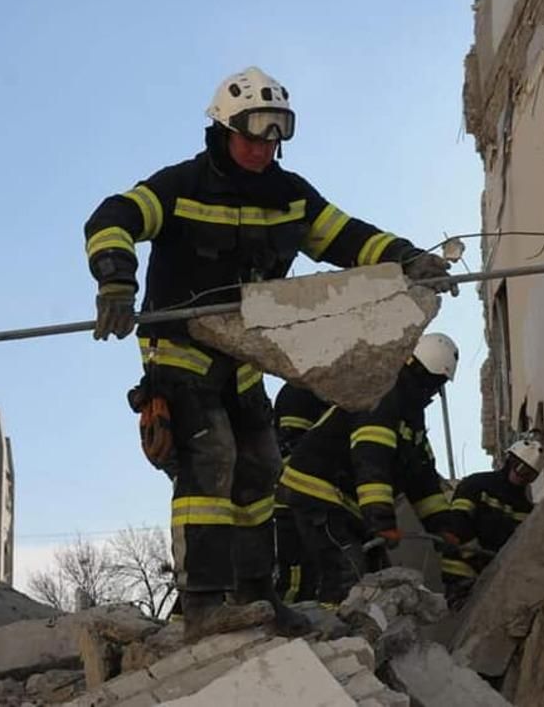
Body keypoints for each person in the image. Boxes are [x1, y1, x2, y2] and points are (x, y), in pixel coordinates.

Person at [83, 66, 452, 639]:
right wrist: (115, 281)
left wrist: (408, 257)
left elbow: (349, 238)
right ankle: (204, 604)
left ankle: (257, 594)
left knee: (260, 471)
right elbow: (113, 218)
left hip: (249, 354)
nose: (263, 149)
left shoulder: (290, 198)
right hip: (179, 349)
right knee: (213, 461)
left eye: (274, 137)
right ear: (223, 129)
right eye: (253, 136)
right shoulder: (181, 186)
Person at [277, 334, 462, 605]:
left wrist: (443, 527)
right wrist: (382, 522)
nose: (434, 391)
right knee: (346, 574)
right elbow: (371, 458)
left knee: (374, 580)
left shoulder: (411, 417)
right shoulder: (384, 396)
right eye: (435, 382)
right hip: (318, 492)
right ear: (420, 371)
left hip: (344, 503)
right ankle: (335, 641)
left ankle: (353, 637)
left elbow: (421, 479)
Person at [440, 435, 541, 609]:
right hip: (461, 571)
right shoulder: (477, 484)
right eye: (519, 466)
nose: (521, 475)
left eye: (528, 474)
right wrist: (476, 556)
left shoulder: (525, 509)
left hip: (493, 575)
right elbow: (458, 521)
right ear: (510, 460)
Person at [272, 383, 329, 603]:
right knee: (294, 577)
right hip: (292, 502)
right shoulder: (298, 394)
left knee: (312, 573)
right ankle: (286, 626)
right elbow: (291, 448)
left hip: (309, 501)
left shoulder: (317, 395)